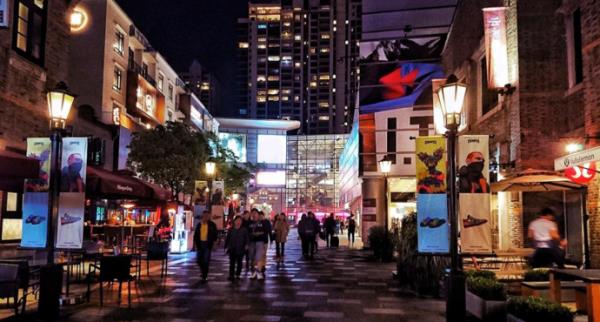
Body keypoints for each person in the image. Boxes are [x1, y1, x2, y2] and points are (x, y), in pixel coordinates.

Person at [194, 210, 218, 282]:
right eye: (204, 216)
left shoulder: (212, 225)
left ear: (209, 216)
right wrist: (195, 244)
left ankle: (204, 275)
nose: (206, 217)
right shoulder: (199, 225)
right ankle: (203, 271)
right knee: (199, 260)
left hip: (208, 244)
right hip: (200, 244)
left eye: (207, 216)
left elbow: (215, 235)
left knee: (206, 260)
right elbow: (196, 235)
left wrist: (214, 243)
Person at [225, 215, 249, 281]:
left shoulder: (244, 230)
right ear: (234, 221)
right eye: (237, 220)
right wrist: (226, 247)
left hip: (241, 249)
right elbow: (228, 239)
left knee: (239, 262)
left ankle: (238, 274)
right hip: (232, 248)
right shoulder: (231, 229)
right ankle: (231, 275)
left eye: (240, 221)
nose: (238, 222)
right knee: (232, 263)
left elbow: (247, 238)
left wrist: (246, 245)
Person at [248, 209, 269, 280]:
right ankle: (253, 272)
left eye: (255, 213)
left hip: (260, 241)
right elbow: (247, 233)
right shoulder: (249, 223)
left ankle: (259, 272)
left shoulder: (263, 222)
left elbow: (266, 231)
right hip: (251, 242)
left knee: (258, 257)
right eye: (252, 213)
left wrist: (260, 234)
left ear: (258, 214)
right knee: (252, 258)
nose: (254, 215)